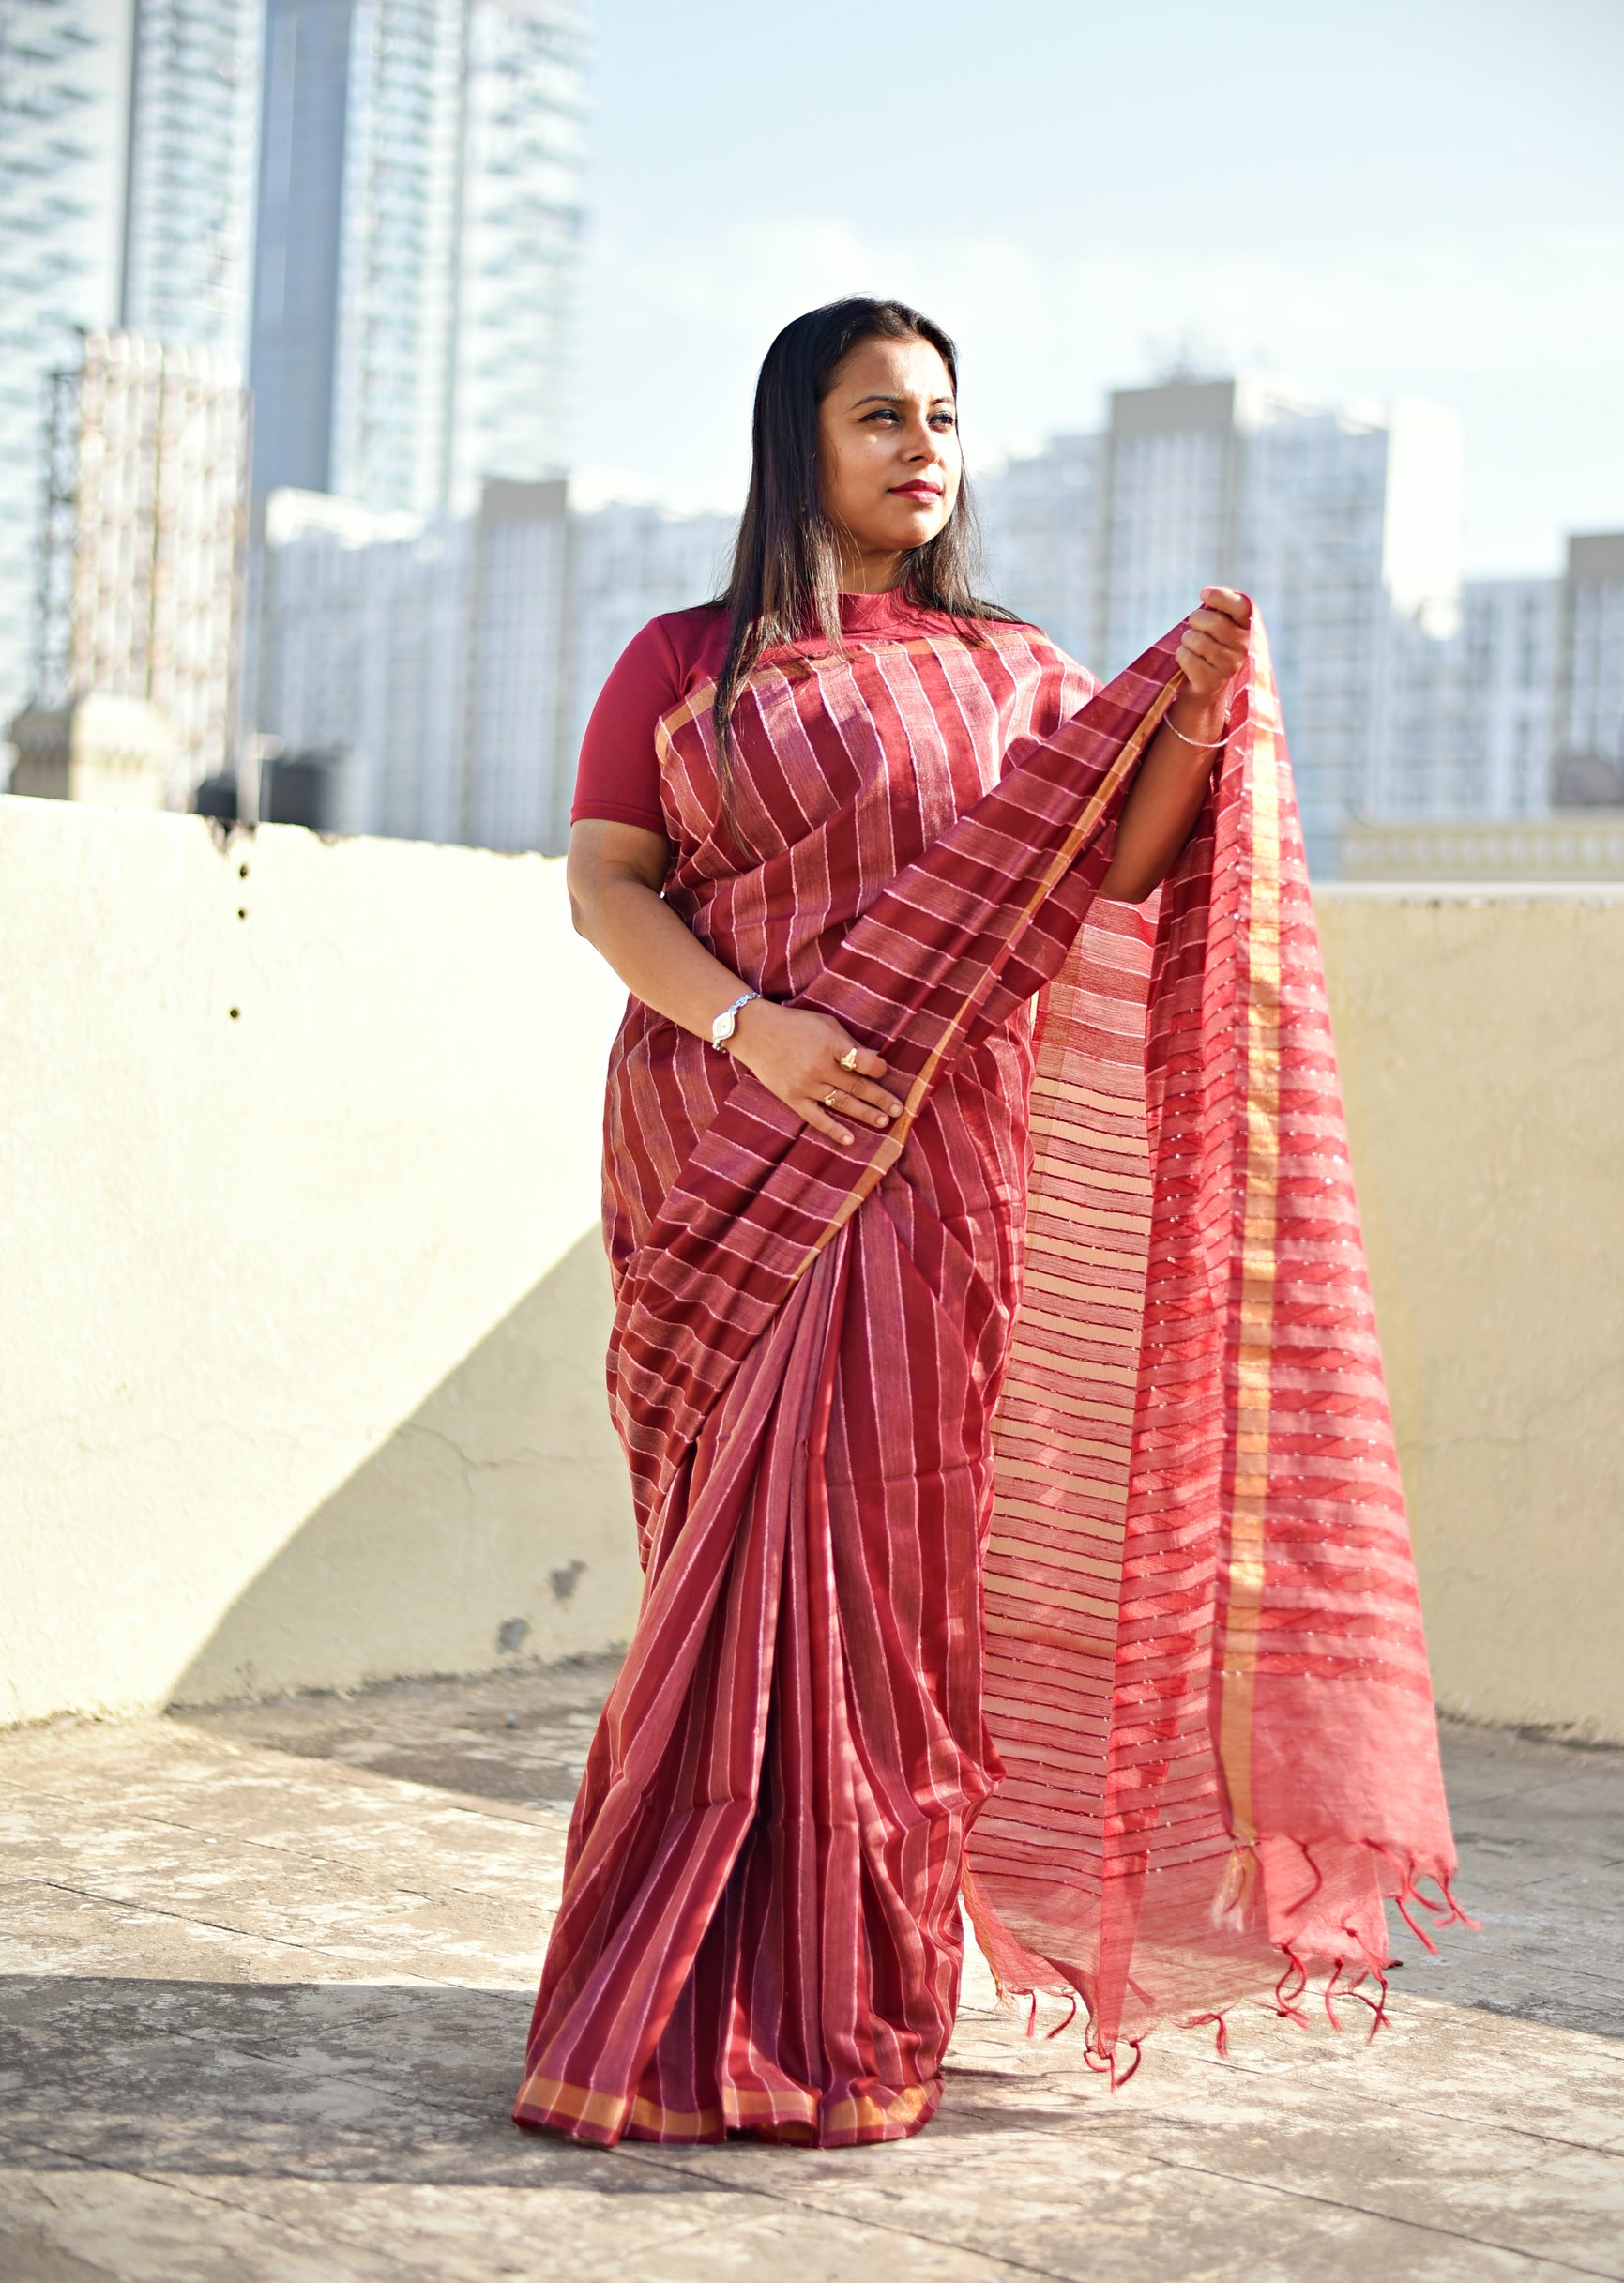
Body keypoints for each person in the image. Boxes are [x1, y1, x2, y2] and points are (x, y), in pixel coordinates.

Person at [513, 298, 1465, 2153]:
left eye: (940, 415)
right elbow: (605, 884)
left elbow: (1108, 865)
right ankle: (666, 1986)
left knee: (877, 1608)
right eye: (879, 416)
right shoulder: (688, 663)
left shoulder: (1012, 667)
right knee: (725, 1594)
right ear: (801, 444)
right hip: (725, 1150)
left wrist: (1186, 711)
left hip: (934, 1181)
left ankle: (843, 2011)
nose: (921, 446)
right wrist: (755, 1027)